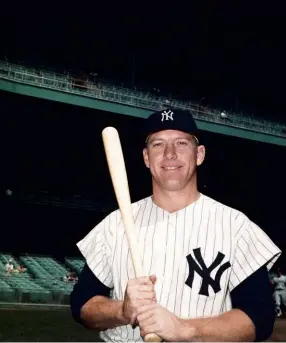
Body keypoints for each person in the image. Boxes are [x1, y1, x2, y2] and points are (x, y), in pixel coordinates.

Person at [71, 108, 281, 342]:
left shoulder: (236, 227)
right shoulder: (114, 225)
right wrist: (122, 311)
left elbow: (259, 318)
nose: (170, 153)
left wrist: (185, 329)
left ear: (199, 154)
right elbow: (83, 306)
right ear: (146, 158)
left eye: (181, 143)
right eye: (158, 144)